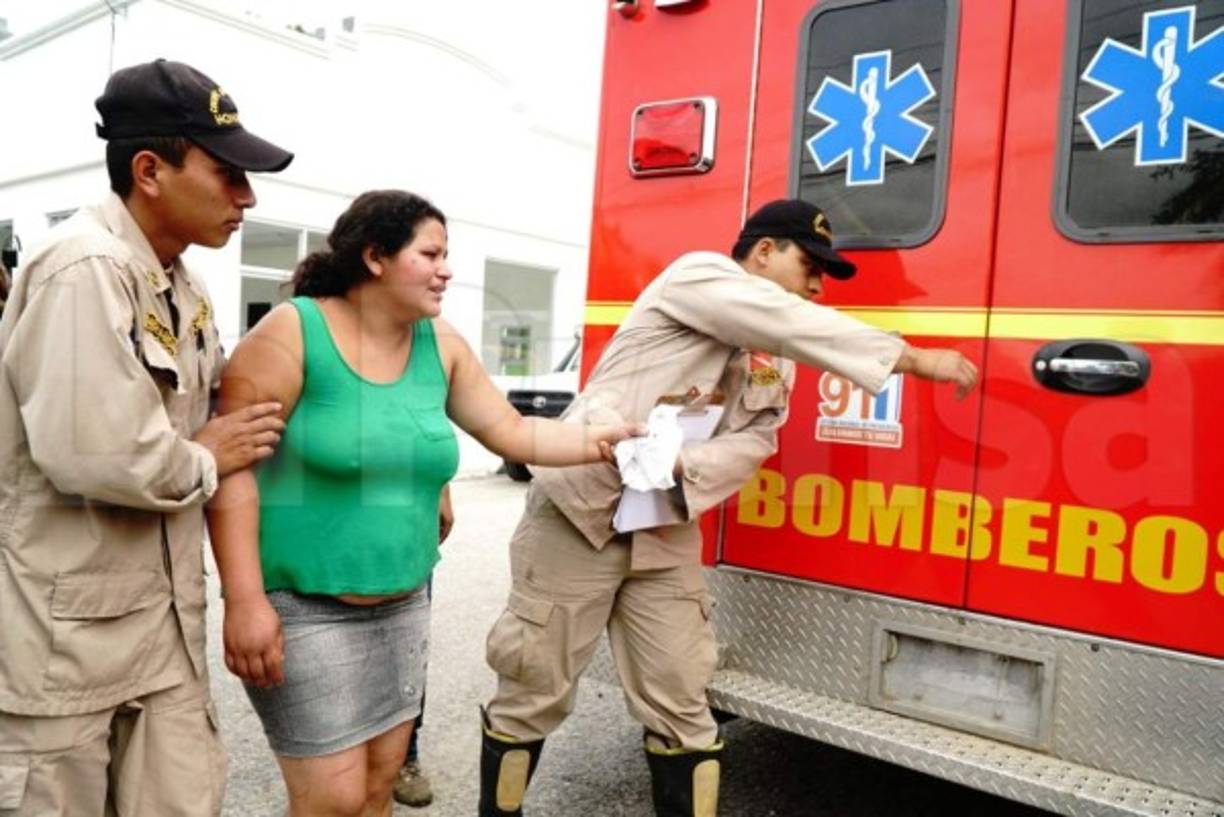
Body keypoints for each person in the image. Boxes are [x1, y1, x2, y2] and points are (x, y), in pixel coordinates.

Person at [478, 198, 980, 817]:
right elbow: (783, 317)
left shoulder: (775, 355)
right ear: (764, 251)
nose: (818, 284)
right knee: (533, 686)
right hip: (581, 507)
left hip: (661, 517)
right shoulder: (697, 276)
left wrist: (684, 463)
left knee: (683, 700)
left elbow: (758, 438)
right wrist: (914, 360)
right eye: (810, 264)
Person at [206, 189, 640, 817]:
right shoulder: (293, 333)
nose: (447, 269)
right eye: (430, 253)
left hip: (404, 603)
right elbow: (233, 469)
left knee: (380, 787)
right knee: (332, 799)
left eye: (447, 255)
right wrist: (242, 600)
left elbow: (512, 433)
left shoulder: (442, 344)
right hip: (302, 608)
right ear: (376, 257)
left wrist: (601, 441)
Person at [0, 59, 292, 816]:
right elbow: (93, 450)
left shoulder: (182, 287)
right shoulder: (84, 268)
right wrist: (209, 454)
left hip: (162, 631)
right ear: (149, 170)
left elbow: (219, 414)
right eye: (228, 173)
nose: (247, 196)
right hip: (61, 648)